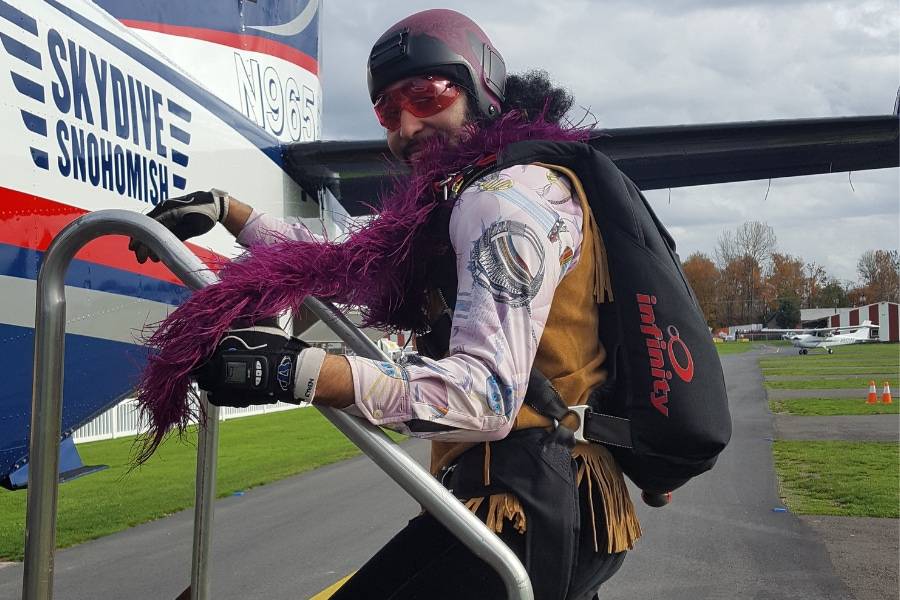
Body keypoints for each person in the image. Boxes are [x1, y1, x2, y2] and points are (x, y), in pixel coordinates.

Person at [133, 9, 640, 599]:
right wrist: (232, 213)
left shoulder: (499, 203)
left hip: (531, 510)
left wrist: (298, 371)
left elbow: (486, 396)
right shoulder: (473, 195)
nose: (405, 127)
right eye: (387, 110)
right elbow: (352, 256)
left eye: (425, 96)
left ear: (482, 88)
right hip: (541, 501)